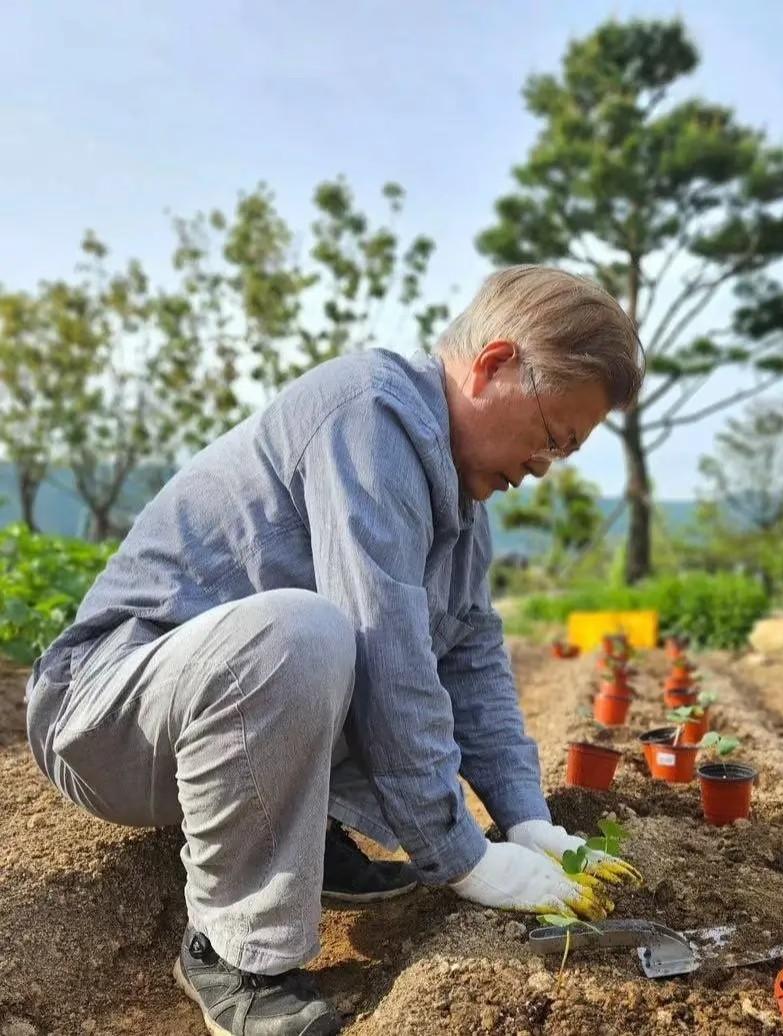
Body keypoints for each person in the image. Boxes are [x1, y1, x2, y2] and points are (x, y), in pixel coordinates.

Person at [25, 265, 645, 1036]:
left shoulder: (462, 512)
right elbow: (387, 652)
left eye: (566, 452)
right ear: (493, 365)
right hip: (102, 719)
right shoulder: (367, 416)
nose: (544, 466)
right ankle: (233, 952)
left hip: (199, 724)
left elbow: (473, 663)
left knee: (340, 643)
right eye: (553, 437)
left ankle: (305, 842)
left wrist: (526, 819)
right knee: (309, 633)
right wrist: (462, 856)